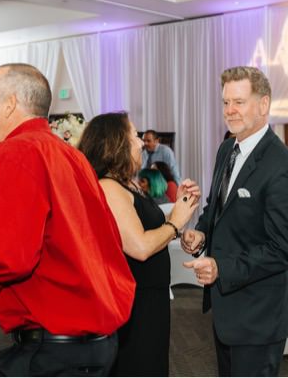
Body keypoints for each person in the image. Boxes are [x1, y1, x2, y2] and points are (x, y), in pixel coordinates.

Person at [0, 63, 135, 376]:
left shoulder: (16, 152)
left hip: (54, 350)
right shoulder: (70, 154)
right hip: (92, 341)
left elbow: (9, 257)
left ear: (10, 104)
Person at [180, 66, 288, 376]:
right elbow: (217, 208)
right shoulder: (227, 149)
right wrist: (199, 234)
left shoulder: (284, 168)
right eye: (225, 103)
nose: (230, 111)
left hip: (259, 314)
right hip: (227, 307)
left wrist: (221, 267)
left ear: (263, 105)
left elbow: (282, 249)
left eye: (239, 102)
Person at [79, 112, 200, 377]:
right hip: (134, 301)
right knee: (138, 366)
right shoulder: (109, 187)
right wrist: (175, 224)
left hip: (150, 295)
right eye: (133, 135)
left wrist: (176, 212)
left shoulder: (127, 184)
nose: (140, 141)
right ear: (116, 143)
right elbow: (140, 247)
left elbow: (144, 227)